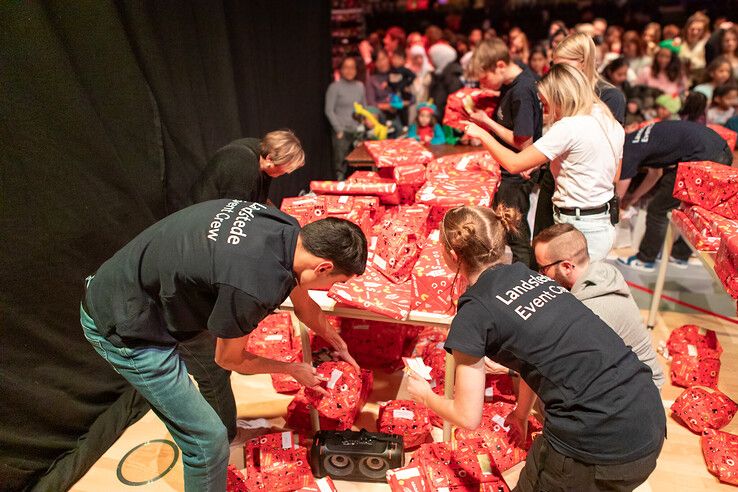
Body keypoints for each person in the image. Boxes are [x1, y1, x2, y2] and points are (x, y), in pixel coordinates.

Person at [80, 202, 367, 491]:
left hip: (150, 292)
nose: (328, 289)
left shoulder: (289, 231)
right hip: (126, 325)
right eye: (334, 281)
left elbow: (304, 305)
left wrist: (336, 341)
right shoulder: (254, 286)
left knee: (212, 375)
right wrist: (292, 369)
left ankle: (230, 432)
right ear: (323, 267)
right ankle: (218, 445)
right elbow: (230, 359)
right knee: (207, 442)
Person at [407, 205, 665, 492]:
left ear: (453, 256)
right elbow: (537, 356)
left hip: (602, 443)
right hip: (647, 415)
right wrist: (520, 413)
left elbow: (468, 416)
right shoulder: (531, 276)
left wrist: (425, 396)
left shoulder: (475, 312)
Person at [465, 63, 624, 261]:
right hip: (600, 223)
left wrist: (482, 134)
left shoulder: (569, 126)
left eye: (546, 104)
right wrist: (541, 161)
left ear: (560, 97)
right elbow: (611, 172)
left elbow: (514, 164)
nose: (546, 112)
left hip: (578, 225)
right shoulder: (606, 118)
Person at [533, 224, 665, 390]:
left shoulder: (590, 312)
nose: (540, 275)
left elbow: (561, 365)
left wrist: (510, 369)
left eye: (543, 268)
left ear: (567, 267)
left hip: (639, 393)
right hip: (638, 378)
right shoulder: (602, 272)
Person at [466, 38, 543, 268]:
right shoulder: (513, 80)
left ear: (500, 65)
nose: (484, 84)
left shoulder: (521, 90)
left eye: (485, 78)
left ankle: (523, 277)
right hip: (509, 171)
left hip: (517, 173)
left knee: (515, 233)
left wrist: (486, 125)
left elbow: (524, 144)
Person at [618, 120, 733, 271]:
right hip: (721, 150)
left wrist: (617, 206)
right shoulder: (637, 139)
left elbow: (622, 185)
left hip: (702, 157)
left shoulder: (628, 149)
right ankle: (679, 255)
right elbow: (655, 173)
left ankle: (646, 259)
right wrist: (634, 198)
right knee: (698, 210)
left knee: (657, 209)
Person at [190, 130, 305, 205]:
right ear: (270, 159)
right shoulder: (243, 163)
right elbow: (234, 211)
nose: (285, 174)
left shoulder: (261, 152)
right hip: (199, 221)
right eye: (283, 170)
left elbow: (260, 202)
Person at [325, 56, 366, 180]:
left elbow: (363, 108)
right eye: (346, 67)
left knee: (359, 164)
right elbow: (329, 110)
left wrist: (362, 126)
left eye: (352, 67)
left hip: (357, 132)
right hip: (342, 132)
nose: (349, 70)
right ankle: (340, 190)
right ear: (341, 70)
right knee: (341, 165)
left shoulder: (360, 86)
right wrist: (338, 130)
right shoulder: (335, 87)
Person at [428, 42, 464, 118]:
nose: (430, 61)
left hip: (446, 120)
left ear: (439, 58)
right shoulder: (439, 73)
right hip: (438, 116)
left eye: (432, 58)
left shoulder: (452, 75)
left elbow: (453, 101)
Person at [679, 11, 711, 85]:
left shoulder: (707, 45)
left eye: (699, 30)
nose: (695, 32)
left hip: (701, 82)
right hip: (682, 82)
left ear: (704, 31)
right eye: (692, 29)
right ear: (687, 28)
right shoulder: (680, 43)